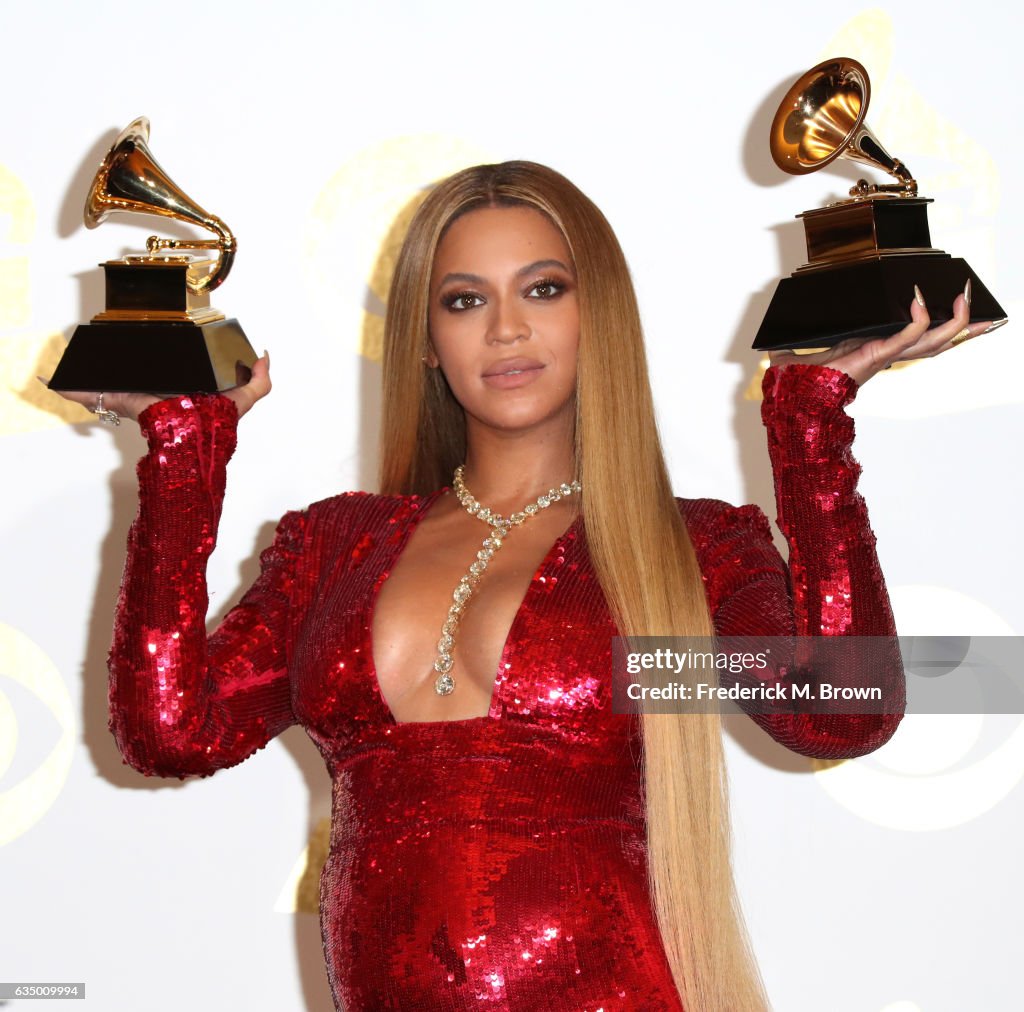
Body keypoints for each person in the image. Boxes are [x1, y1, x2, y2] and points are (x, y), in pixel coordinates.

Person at [52, 160, 999, 1011]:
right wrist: (182, 461)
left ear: (601, 317)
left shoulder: (683, 550)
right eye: (463, 301)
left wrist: (811, 424)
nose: (506, 328)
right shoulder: (336, 546)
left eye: (543, 290)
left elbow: (842, 711)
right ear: (424, 340)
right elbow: (169, 732)